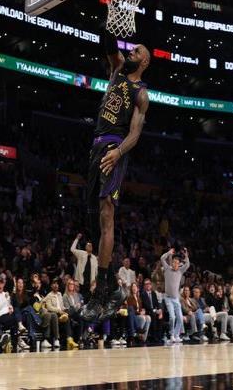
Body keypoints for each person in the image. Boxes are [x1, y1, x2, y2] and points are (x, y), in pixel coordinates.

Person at [82, 30, 150, 322]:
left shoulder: (141, 94)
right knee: (92, 221)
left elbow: (135, 134)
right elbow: (109, 43)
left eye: (137, 51)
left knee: (107, 214)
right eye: (131, 49)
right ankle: (112, 287)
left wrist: (118, 153)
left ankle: (100, 294)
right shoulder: (118, 68)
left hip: (114, 148)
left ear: (144, 62)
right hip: (96, 147)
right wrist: (110, 19)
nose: (131, 52)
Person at [161, 248, 190, 343]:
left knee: (180, 318)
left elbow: (187, 264)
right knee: (172, 317)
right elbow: (162, 258)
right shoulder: (167, 268)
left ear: (179, 264)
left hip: (176, 298)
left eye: (177, 263)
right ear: (172, 263)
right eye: (173, 262)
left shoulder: (180, 271)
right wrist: (168, 253)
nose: (175, 264)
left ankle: (177, 335)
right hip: (168, 298)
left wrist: (186, 256)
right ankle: (171, 335)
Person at [43, 279, 78, 349]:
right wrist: (59, 311)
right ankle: (60, 339)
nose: (56, 285)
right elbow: (49, 307)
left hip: (62, 313)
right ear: (51, 286)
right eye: (54, 284)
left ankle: (70, 339)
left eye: (57, 284)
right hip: (55, 314)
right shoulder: (49, 295)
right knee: (65, 316)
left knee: (71, 311)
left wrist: (64, 309)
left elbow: (62, 306)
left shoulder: (59, 294)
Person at [70, 233, 98, 300]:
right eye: (88, 245)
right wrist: (77, 239)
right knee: (80, 299)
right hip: (80, 282)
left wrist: (95, 281)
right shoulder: (81, 253)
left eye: (91, 245)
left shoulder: (95, 258)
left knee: (89, 300)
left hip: (90, 283)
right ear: (85, 247)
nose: (89, 246)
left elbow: (96, 271)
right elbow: (72, 249)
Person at [140, 278, 163, 342]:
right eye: (146, 284)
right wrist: (155, 311)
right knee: (153, 315)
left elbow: (157, 303)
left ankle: (159, 336)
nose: (148, 285)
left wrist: (160, 311)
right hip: (147, 311)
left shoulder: (153, 293)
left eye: (149, 284)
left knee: (160, 316)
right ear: (144, 286)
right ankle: (153, 337)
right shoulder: (142, 294)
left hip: (154, 311)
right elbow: (146, 305)